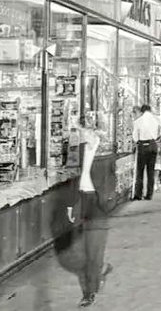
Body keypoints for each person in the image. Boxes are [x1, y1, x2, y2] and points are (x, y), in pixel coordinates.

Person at [65, 115, 116, 307]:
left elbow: (111, 176)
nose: (77, 135)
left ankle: (90, 292)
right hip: (82, 200)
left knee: (93, 248)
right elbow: (72, 176)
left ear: (90, 130)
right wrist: (71, 205)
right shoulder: (77, 150)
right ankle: (97, 276)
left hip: (97, 203)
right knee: (82, 251)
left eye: (79, 131)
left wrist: (107, 200)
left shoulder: (105, 149)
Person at [131, 105, 161, 200]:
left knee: (140, 171)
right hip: (153, 145)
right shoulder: (156, 119)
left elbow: (135, 136)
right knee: (151, 171)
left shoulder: (138, 121)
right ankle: (149, 194)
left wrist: (137, 142)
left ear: (142, 111)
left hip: (143, 146)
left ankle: (138, 194)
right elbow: (159, 133)